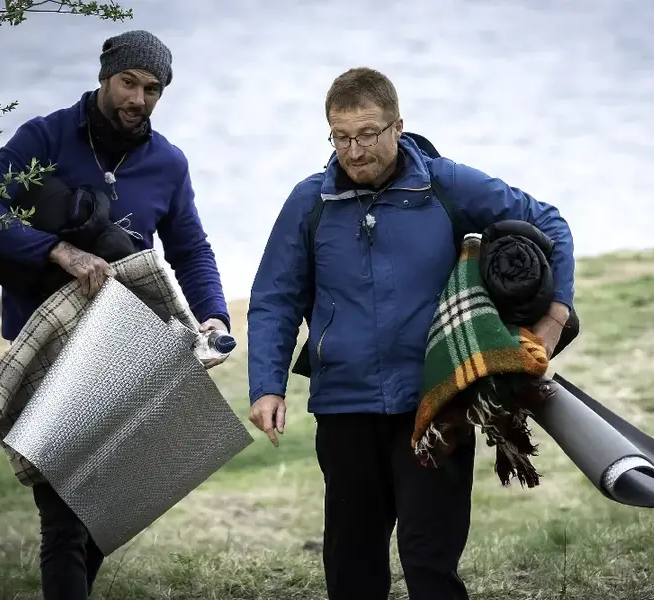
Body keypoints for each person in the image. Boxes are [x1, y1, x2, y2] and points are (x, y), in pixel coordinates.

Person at [246, 67, 576, 600]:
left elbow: (551, 224)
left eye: (367, 134)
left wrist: (554, 319)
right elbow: (275, 299)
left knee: (430, 563)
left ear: (398, 127)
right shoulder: (310, 203)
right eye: (340, 137)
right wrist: (267, 386)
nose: (354, 151)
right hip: (344, 406)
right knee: (352, 568)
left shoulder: (445, 184)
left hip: (436, 401)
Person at [0, 30, 231, 600]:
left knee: (104, 510)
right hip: (50, 350)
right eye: (128, 82)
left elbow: (191, 250)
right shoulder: (45, 138)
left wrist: (213, 317)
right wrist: (58, 250)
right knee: (64, 516)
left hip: (123, 350)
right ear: (105, 75)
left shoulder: (167, 163)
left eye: (151, 89)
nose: (137, 98)